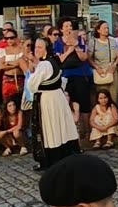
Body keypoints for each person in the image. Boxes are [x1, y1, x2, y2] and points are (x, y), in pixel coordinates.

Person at [28, 36, 82, 171]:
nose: (37, 50)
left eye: (40, 47)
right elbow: (61, 81)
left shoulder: (44, 65)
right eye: (35, 47)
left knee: (50, 127)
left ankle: (51, 159)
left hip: (48, 99)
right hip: (57, 96)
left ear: (46, 49)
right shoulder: (54, 61)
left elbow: (32, 85)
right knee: (60, 126)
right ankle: (66, 155)